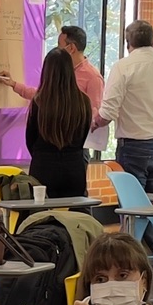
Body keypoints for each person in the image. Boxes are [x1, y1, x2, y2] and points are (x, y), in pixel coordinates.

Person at [0, 25, 106, 164]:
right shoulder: (58, 72)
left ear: (71, 48)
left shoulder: (93, 77)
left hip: (75, 149)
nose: (57, 49)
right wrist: (14, 85)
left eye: (59, 45)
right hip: (49, 146)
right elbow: (43, 95)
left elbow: (93, 114)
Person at [105, 20, 153, 197]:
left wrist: (94, 123)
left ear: (127, 42)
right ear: (151, 39)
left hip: (134, 146)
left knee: (133, 205)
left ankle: (133, 227)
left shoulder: (123, 66)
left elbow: (109, 109)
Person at [16, 47, 93, 199]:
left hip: (43, 168)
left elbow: (30, 139)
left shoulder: (39, 101)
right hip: (74, 168)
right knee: (74, 219)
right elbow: (83, 137)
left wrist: (42, 155)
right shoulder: (83, 101)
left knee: (42, 218)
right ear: (70, 71)